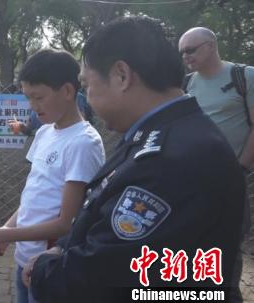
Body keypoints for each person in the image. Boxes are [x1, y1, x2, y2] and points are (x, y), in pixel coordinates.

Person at [22, 16, 245, 303]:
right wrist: (61, 247)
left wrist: (43, 270)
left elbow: (103, 273)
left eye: (87, 84)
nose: (87, 98)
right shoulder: (159, 133)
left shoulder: (172, 159)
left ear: (121, 76)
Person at [0, 49, 105, 303]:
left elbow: (64, 224)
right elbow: (34, 195)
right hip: (24, 260)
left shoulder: (83, 143)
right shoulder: (44, 133)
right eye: (28, 97)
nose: (32, 106)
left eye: (39, 97)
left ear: (68, 91)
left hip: (51, 264)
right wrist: (6, 229)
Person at [179, 26, 254, 303]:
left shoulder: (244, 77)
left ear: (210, 45)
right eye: (182, 52)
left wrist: (240, 169)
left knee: (227, 247)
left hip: (229, 181)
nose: (185, 56)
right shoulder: (185, 84)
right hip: (190, 183)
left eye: (190, 49)